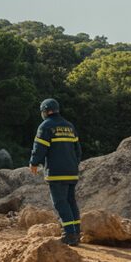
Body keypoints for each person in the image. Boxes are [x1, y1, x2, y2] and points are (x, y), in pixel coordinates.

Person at [29, 98, 83, 245]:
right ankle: (77, 232)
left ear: (46, 111)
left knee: (60, 203)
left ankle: (69, 234)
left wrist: (34, 162)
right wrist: (73, 164)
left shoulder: (45, 126)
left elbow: (39, 148)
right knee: (71, 202)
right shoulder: (69, 126)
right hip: (72, 171)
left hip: (56, 172)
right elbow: (78, 150)